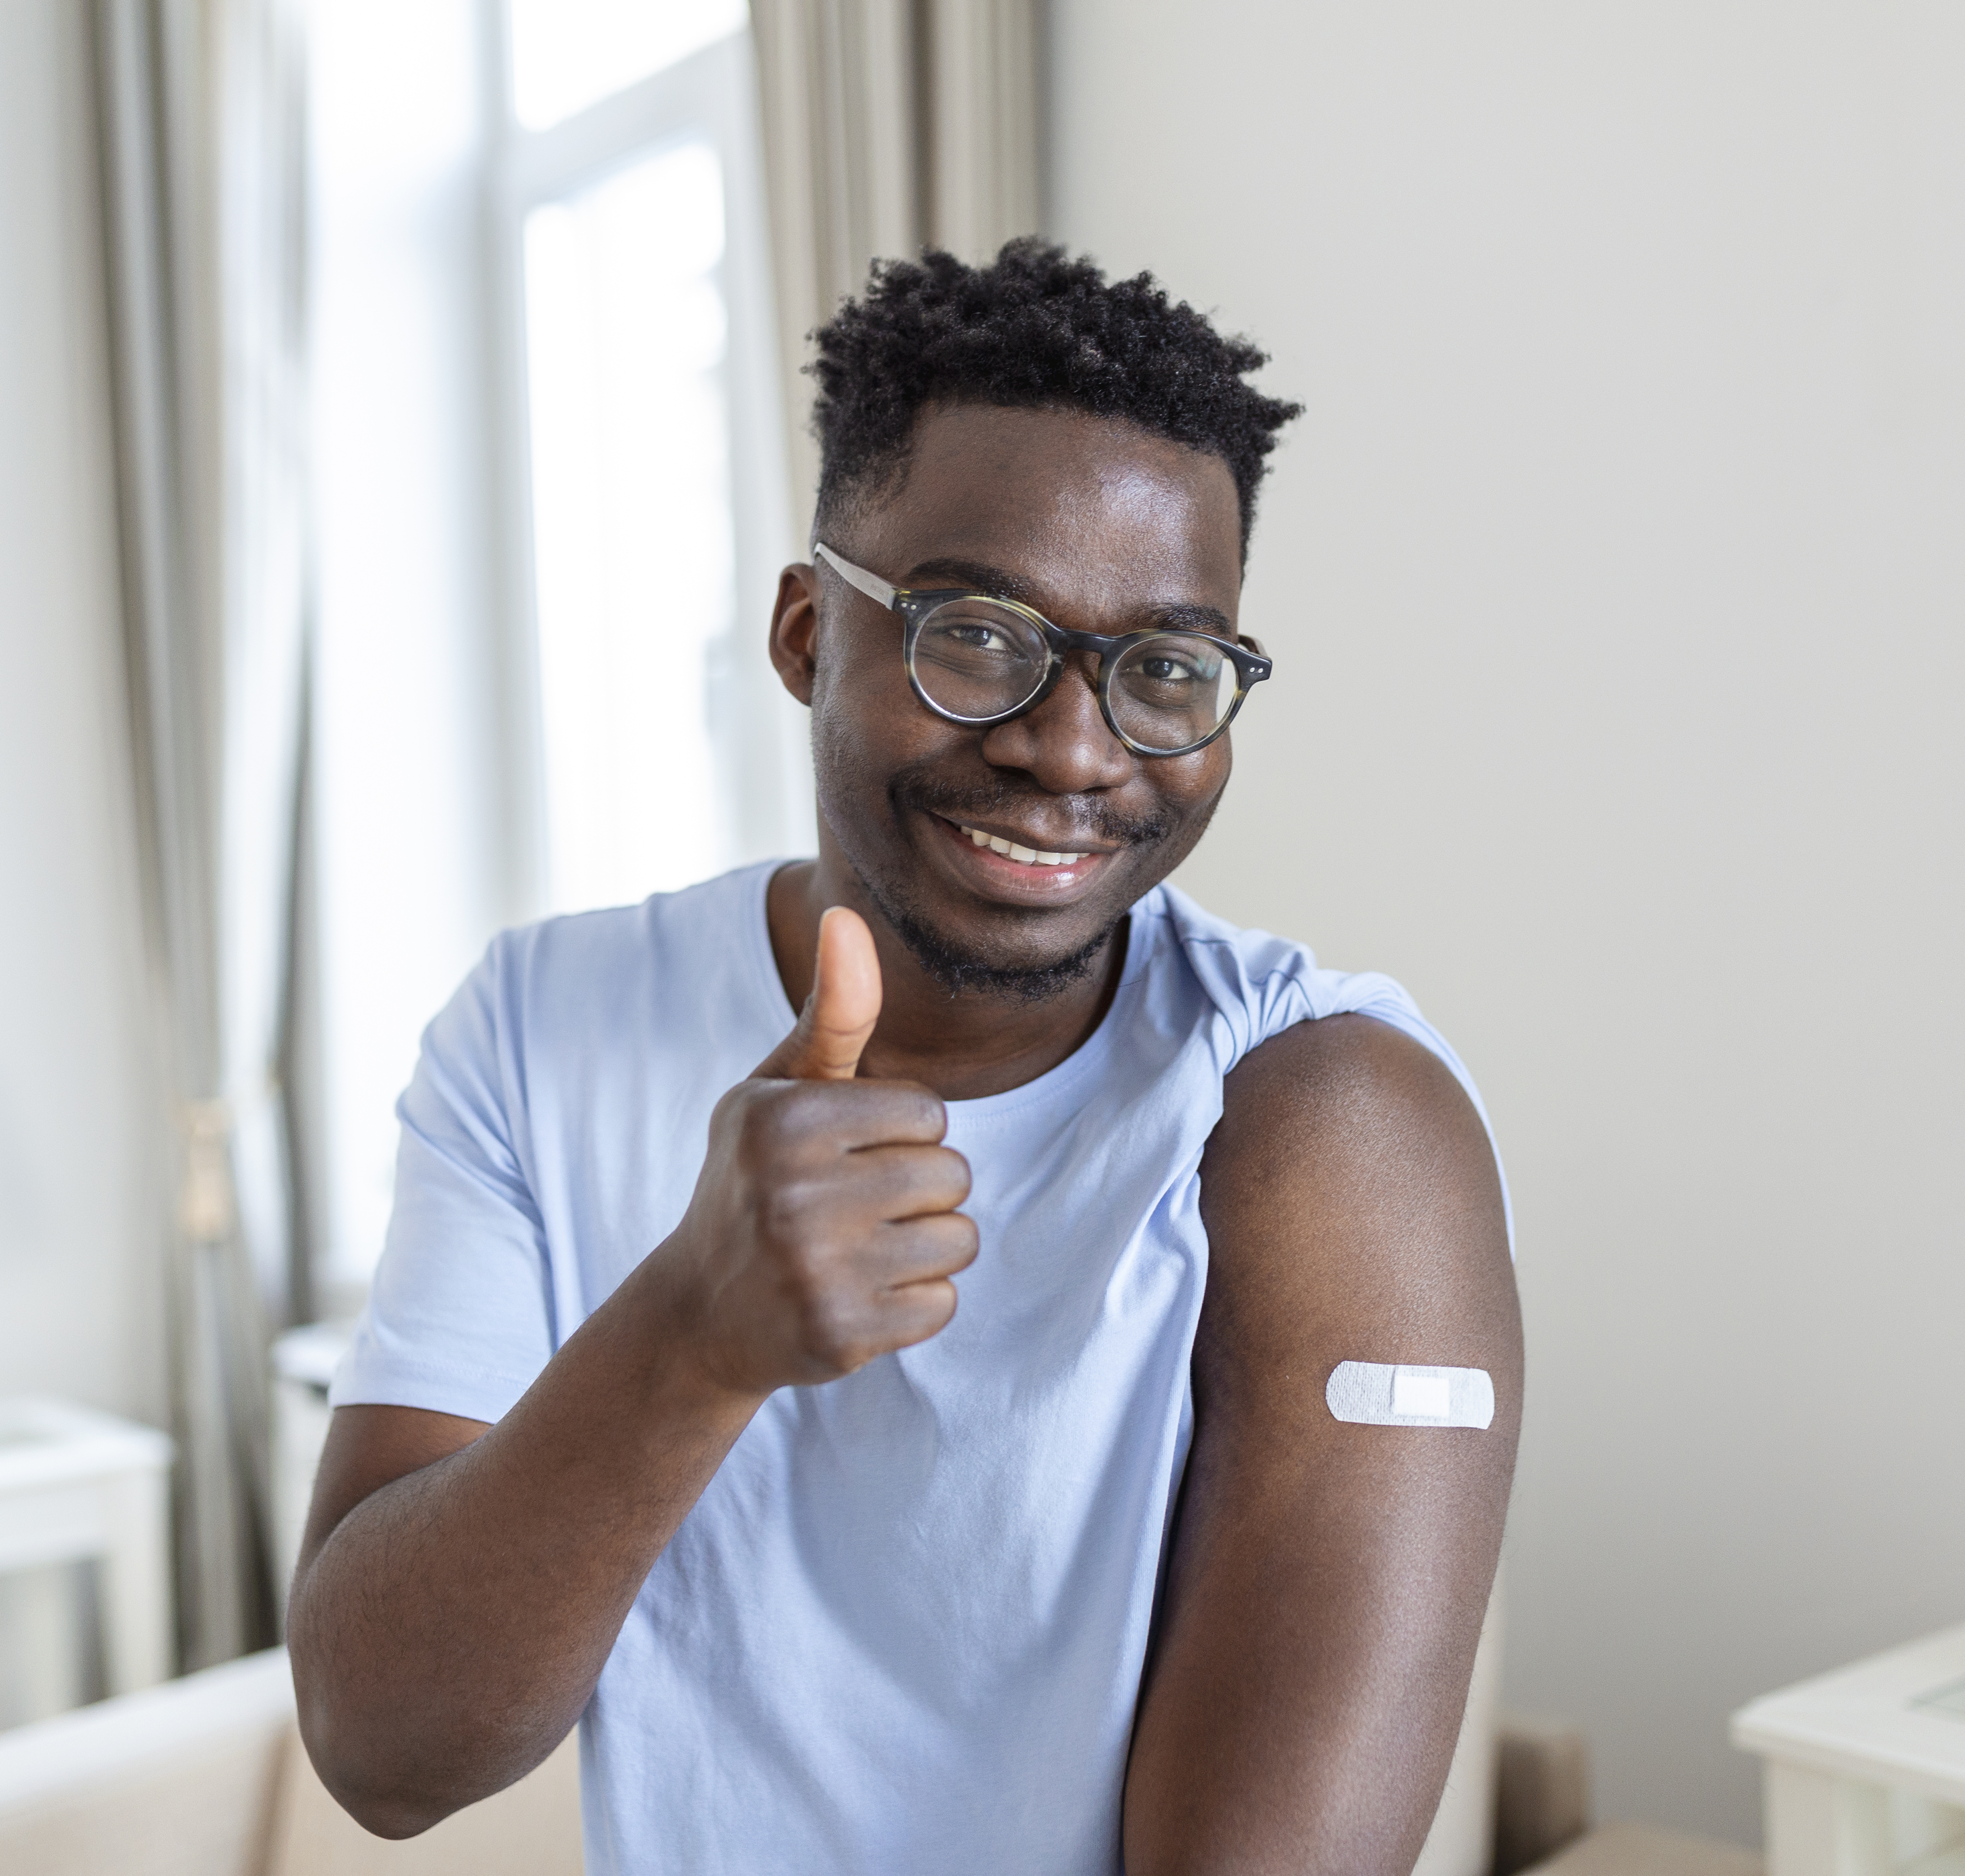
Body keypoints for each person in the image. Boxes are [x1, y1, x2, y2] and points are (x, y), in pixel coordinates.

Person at [287, 240, 1522, 1875]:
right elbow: (384, 1750)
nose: (1073, 751)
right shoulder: (541, 1024)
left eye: (1167, 667)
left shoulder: (1333, 1126)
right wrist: (689, 1339)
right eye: (979, 635)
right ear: (809, 632)